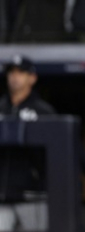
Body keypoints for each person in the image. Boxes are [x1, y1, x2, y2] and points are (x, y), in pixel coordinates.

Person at [0, 56, 56, 232]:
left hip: (33, 195)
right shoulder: (0, 108)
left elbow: (54, 155)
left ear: (32, 78)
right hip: (3, 195)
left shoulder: (43, 111)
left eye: (21, 72)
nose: (15, 77)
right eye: (12, 72)